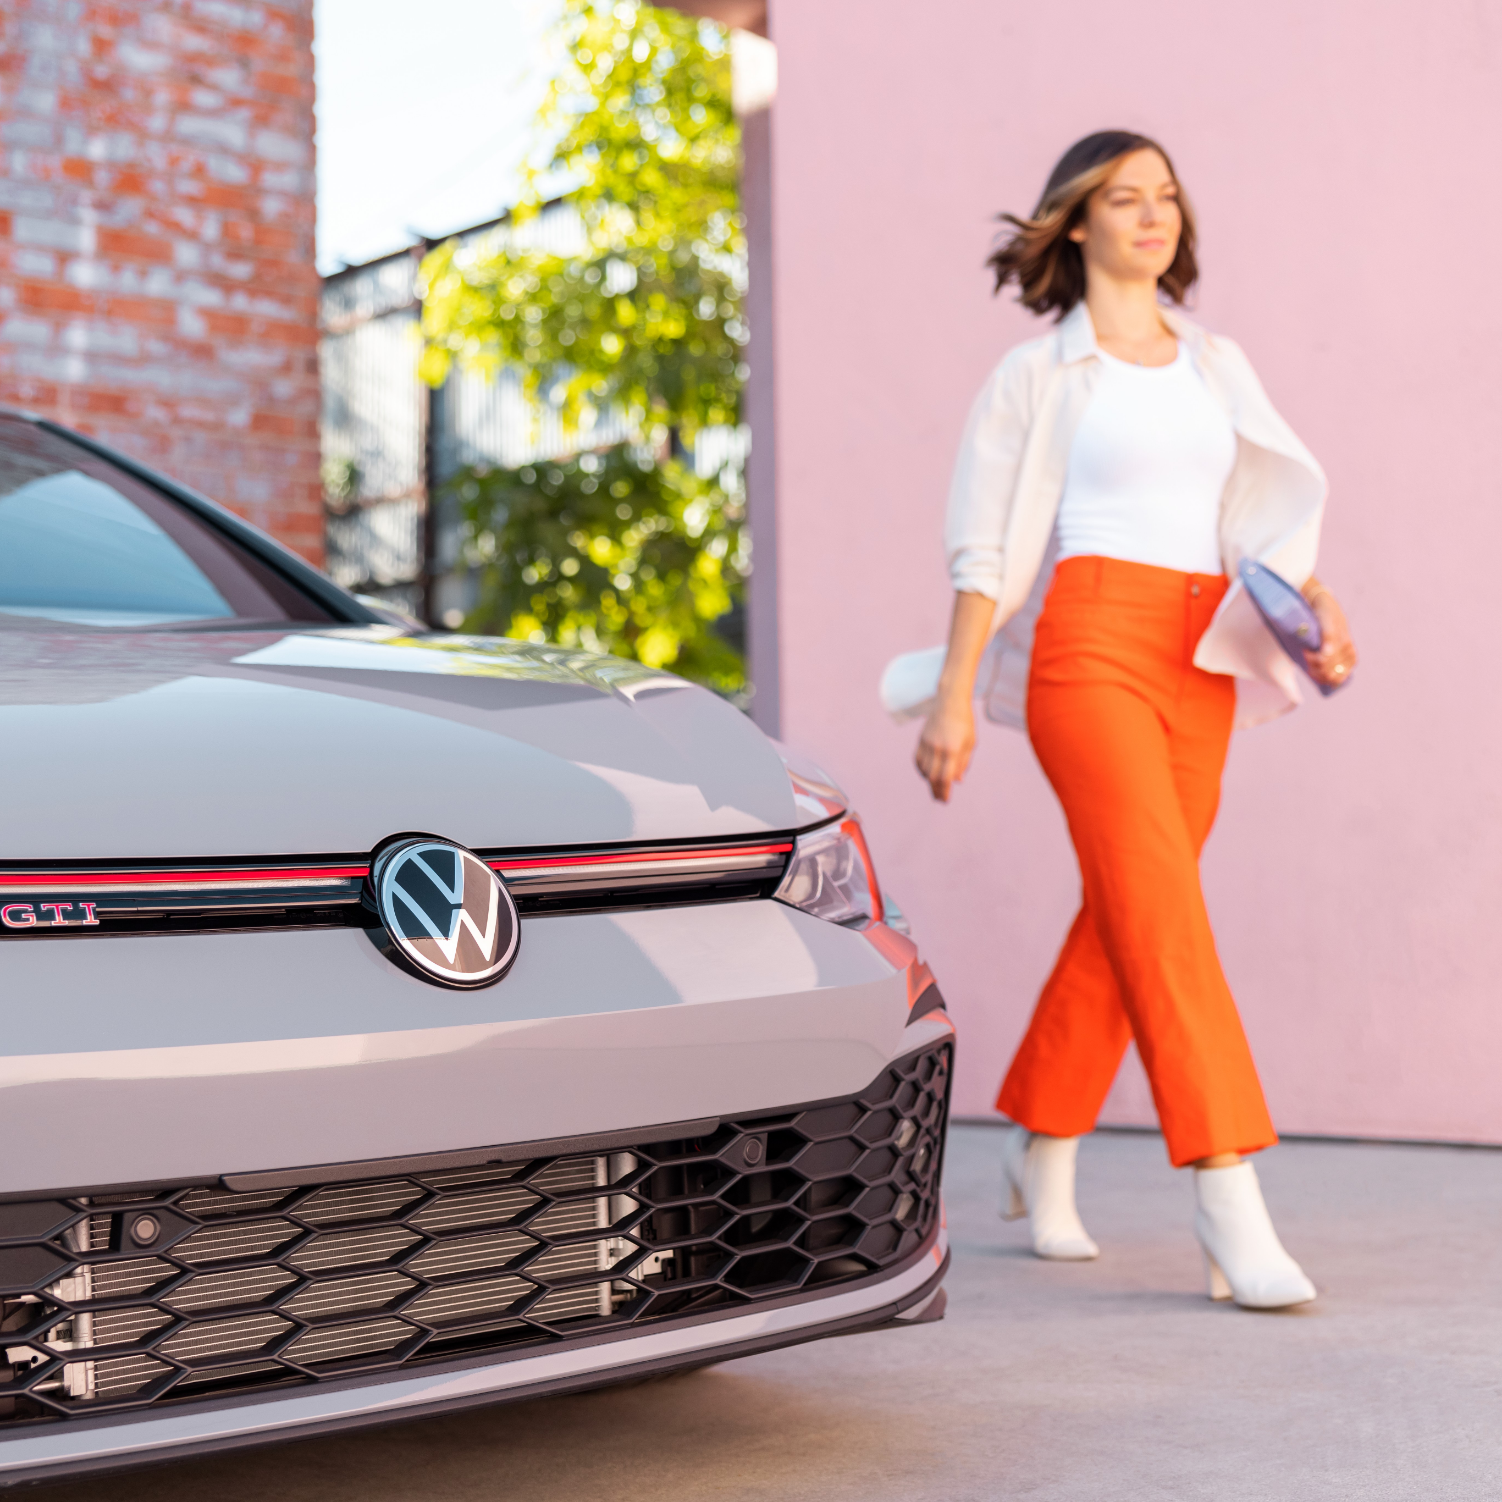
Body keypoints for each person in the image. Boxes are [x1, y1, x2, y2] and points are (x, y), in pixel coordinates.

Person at [906, 131, 1357, 1310]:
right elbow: (985, 546)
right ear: (1075, 224)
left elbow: (1256, 516)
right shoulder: (1036, 375)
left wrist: (1311, 603)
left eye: (1166, 197)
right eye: (1124, 196)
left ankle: (1041, 1137)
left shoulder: (1215, 363)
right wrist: (953, 693)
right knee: (1159, 903)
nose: (1152, 215)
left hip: (1201, 650)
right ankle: (1227, 1191)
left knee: (1126, 906)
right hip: (1088, 645)